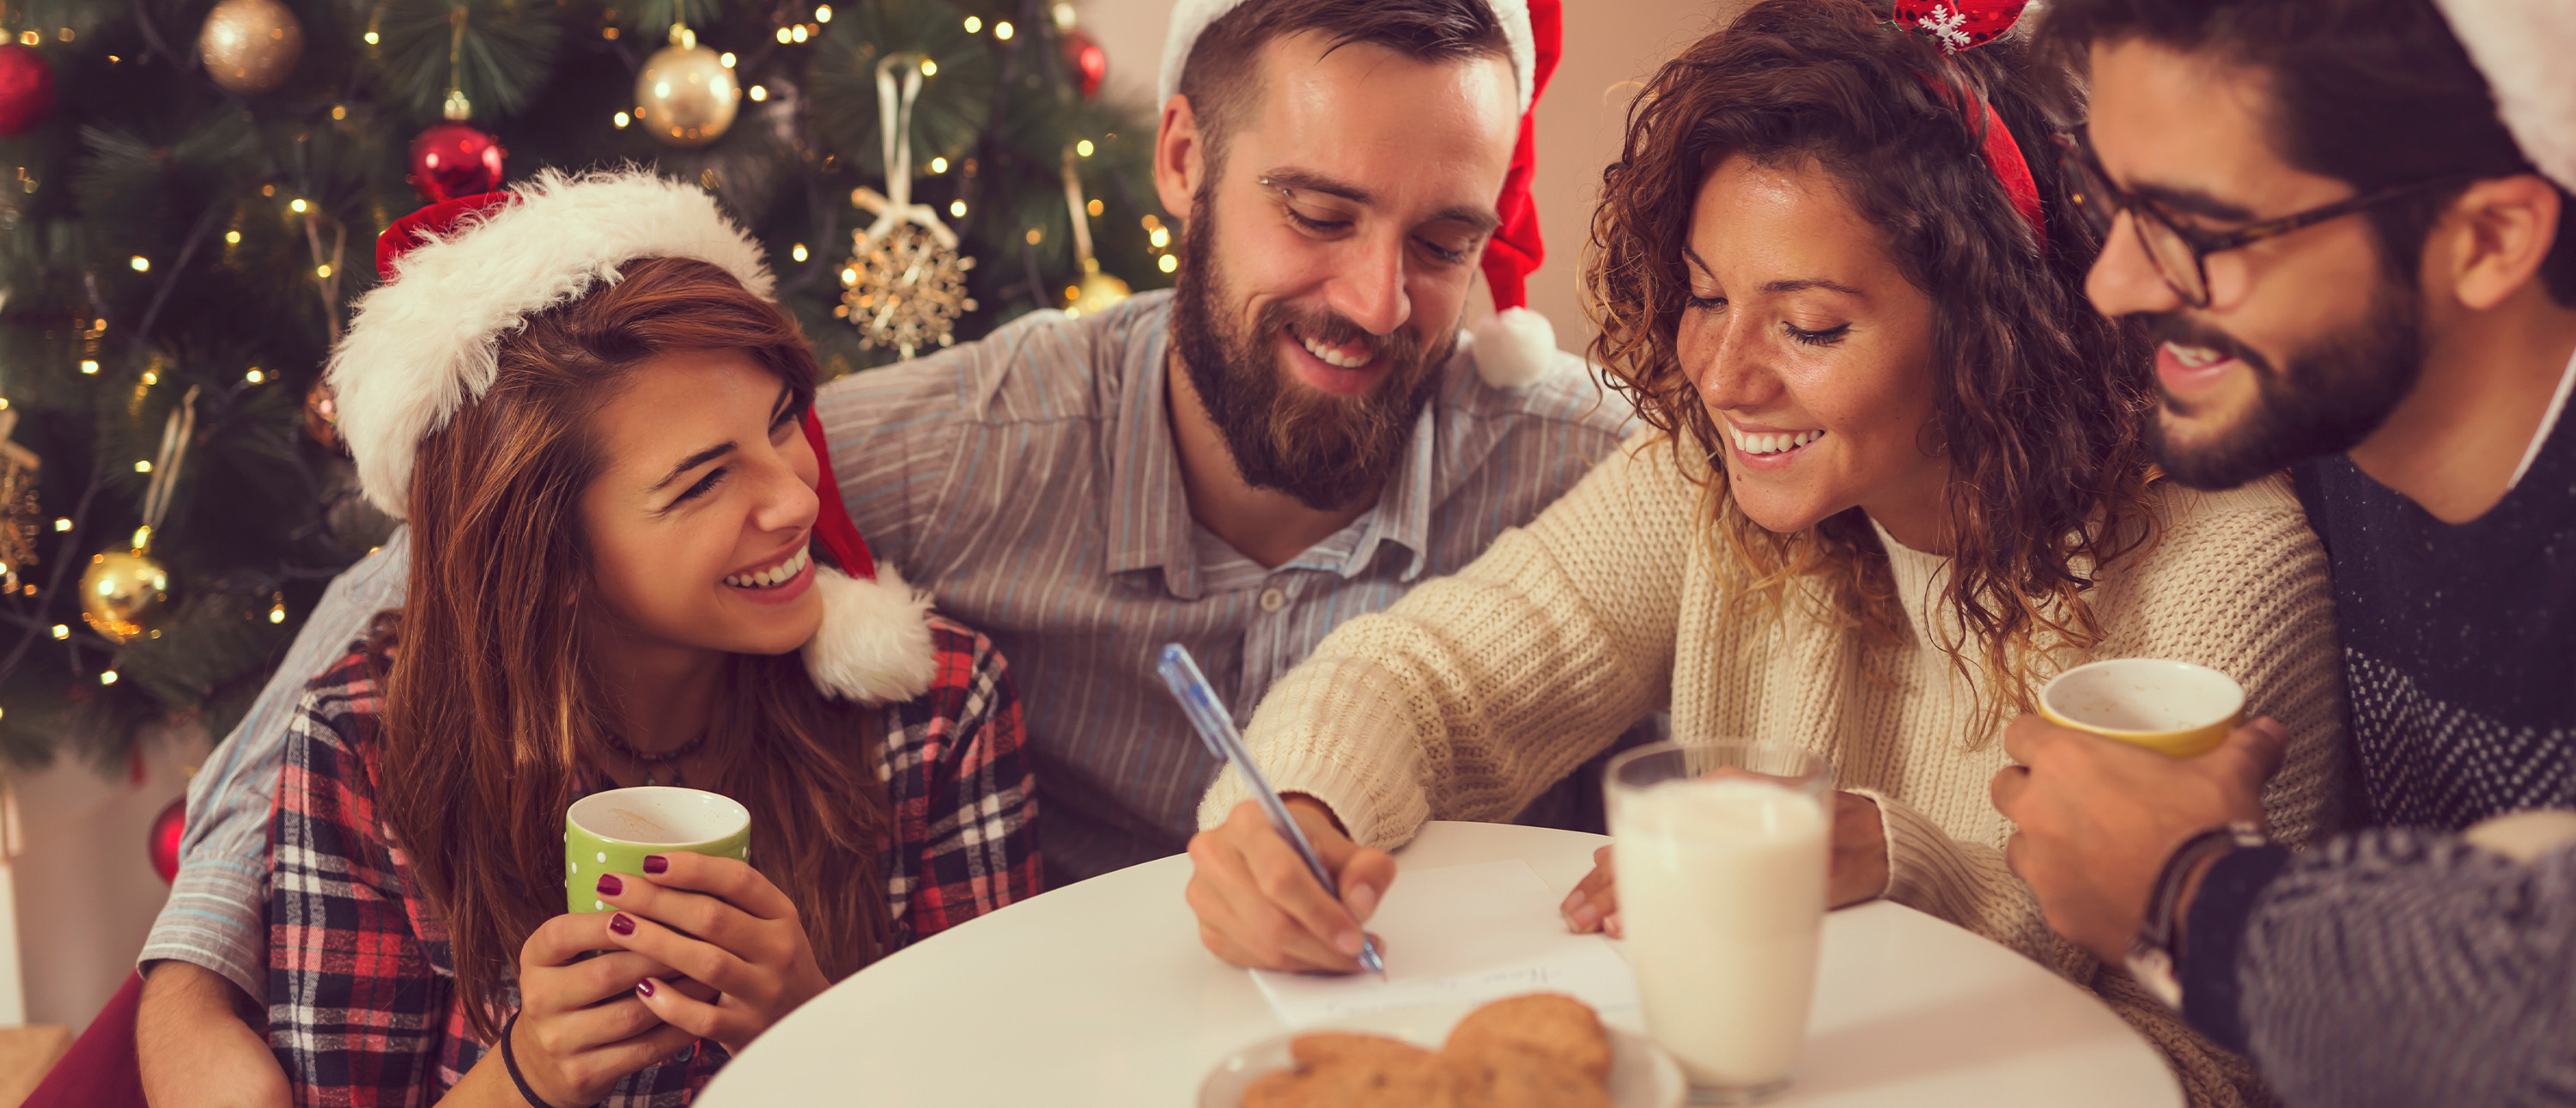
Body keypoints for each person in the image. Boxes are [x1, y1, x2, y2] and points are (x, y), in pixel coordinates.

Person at [135, 1, 1627, 1104]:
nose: (1375, 299)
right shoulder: (960, 450)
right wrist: (189, 977)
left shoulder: (1584, 478)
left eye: (1445, 242)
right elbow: (444, 582)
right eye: (1316, 212)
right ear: (1183, 158)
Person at [1182, 2, 2348, 1104]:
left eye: (1810, 325)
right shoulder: (1707, 485)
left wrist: (1912, 871)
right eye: (1704, 297)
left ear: (1995, 332)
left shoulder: (2217, 574)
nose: (1726, 377)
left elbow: (2220, 1074)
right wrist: (1303, 807)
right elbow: (1425, 674)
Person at [260, 172, 1038, 1106]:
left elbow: (1010, 1082)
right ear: (545, 551)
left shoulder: (934, 707)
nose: (797, 502)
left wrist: (810, 1028)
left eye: (782, 423)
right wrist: (529, 1074)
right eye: (703, 482)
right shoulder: (368, 748)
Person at [1989, 0, 2576, 1104]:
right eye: (2106, 198)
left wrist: (2189, 895)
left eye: (2198, 230)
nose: (2116, 284)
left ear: (2490, 240)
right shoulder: (2317, 427)